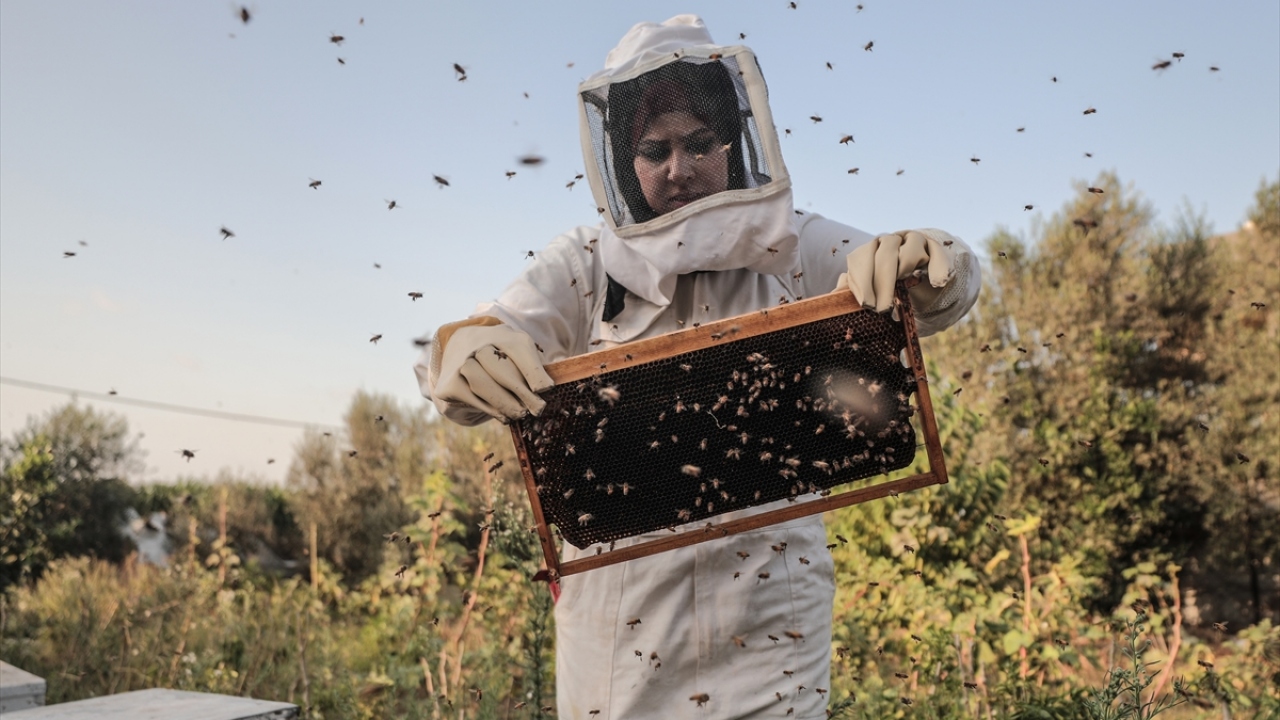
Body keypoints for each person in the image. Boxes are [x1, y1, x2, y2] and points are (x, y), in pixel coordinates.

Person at [416, 15, 980, 719]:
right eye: (654, 151)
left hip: (773, 612)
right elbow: (483, 339)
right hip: (621, 631)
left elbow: (931, 284)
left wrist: (931, 259)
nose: (678, 169)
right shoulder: (583, 265)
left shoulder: (793, 245)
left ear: (732, 144)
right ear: (626, 163)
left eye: (698, 143)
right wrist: (462, 349)